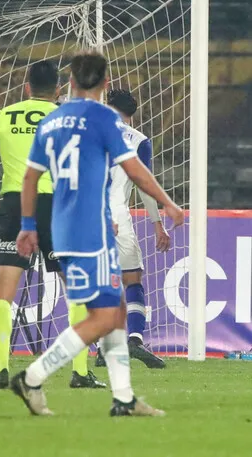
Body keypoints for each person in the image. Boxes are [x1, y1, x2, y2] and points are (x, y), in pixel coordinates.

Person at [10, 51, 182, 417]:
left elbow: (29, 178)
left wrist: (27, 226)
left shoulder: (52, 120)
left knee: (116, 309)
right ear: (106, 83)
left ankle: (124, 398)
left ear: (69, 81)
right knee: (102, 318)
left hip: (66, 225)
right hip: (91, 229)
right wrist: (168, 204)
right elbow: (134, 170)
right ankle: (33, 377)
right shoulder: (105, 117)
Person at [0, 60, 103, 389]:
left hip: (16, 204)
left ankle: (0, 370)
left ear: (27, 88)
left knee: (2, 294)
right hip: (60, 206)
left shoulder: (5, 116)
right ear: (58, 90)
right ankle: (80, 372)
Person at [102, 89, 169, 369]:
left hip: (85, 215)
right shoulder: (139, 141)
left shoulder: (87, 132)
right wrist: (157, 225)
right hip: (118, 215)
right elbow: (145, 186)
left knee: (99, 283)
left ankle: (103, 345)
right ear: (132, 113)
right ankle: (134, 339)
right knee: (132, 279)